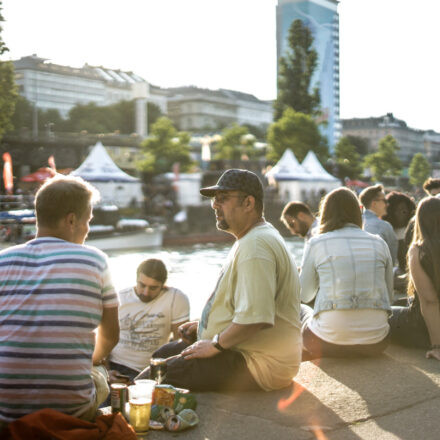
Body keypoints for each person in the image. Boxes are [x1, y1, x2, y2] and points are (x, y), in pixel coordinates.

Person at [136, 169, 302, 392]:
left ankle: (108, 419)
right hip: (255, 354)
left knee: (154, 374)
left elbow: (256, 318)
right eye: (215, 199)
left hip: (260, 364)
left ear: (248, 203)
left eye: (223, 199)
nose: (214, 205)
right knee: (162, 354)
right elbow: (246, 306)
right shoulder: (254, 237)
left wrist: (216, 343)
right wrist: (204, 326)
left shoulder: (255, 246)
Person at [0, 176, 119, 427]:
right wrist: (88, 361)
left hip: (6, 413)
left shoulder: (3, 260)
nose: (88, 229)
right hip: (70, 411)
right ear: (72, 220)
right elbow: (110, 336)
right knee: (99, 375)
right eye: (88, 221)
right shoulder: (95, 261)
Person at [300, 187, 393, 359]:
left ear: (325, 214)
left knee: (301, 310)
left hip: (326, 343)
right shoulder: (379, 243)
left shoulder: (316, 243)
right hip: (377, 342)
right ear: (359, 212)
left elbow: (305, 295)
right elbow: (389, 294)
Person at [108, 259, 189, 381]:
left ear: (163, 285)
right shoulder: (120, 298)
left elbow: (181, 342)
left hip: (154, 368)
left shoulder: (176, 298)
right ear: (136, 280)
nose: (145, 292)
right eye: (142, 285)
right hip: (119, 366)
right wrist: (106, 371)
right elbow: (105, 338)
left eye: (153, 288)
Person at [389, 197, 440, 360]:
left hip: (421, 327)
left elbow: (430, 301)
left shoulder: (419, 250)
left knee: (382, 315)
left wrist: (437, 346)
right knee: (397, 303)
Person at [359, 184, 398, 266]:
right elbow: (391, 261)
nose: (387, 204)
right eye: (385, 201)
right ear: (374, 203)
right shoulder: (384, 226)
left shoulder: (356, 222)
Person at [382, 192, 415, 272]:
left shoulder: (413, 231)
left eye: (404, 211)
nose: (400, 214)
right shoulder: (385, 231)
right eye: (396, 211)